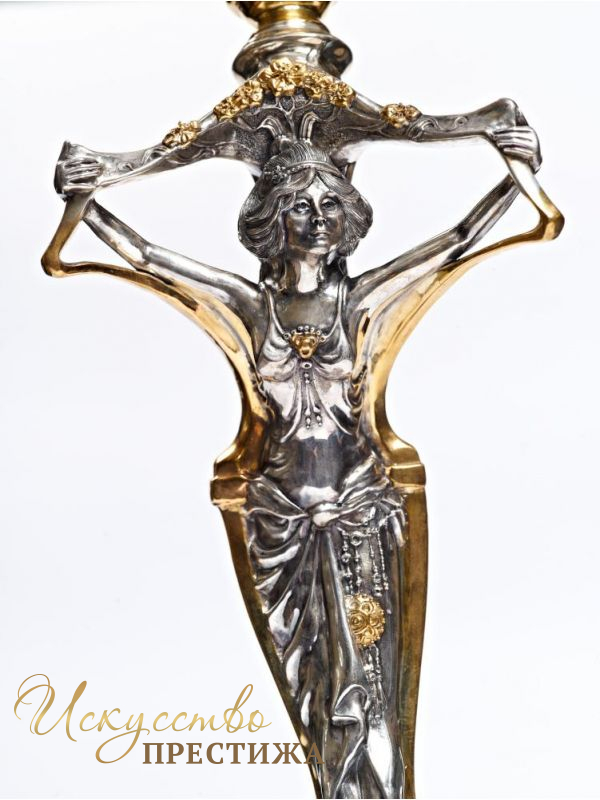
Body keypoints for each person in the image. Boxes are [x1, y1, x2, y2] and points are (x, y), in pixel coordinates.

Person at [56, 128, 540, 798]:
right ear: (271, 220)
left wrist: (517, 172)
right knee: (313, 690)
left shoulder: (360, 301)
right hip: (281, 526)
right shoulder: (250, 307)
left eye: (330, 204)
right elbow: (146, 256)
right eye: (300, 205)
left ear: (349, 219)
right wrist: (84, 199)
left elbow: (456, 239)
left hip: (359, 519)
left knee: (371, 689)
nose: (318, 218)